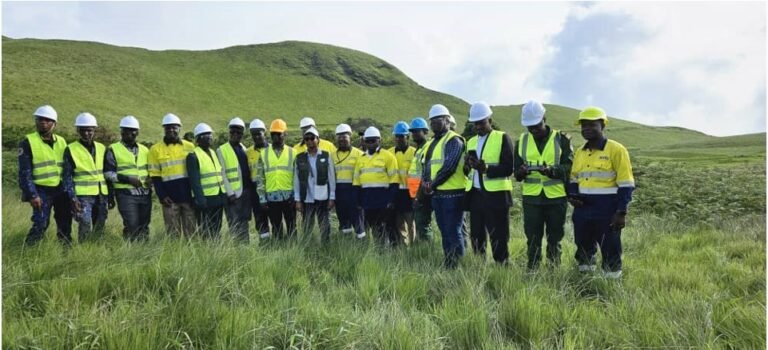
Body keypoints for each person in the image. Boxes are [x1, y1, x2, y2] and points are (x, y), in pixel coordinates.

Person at [568, 106, 635, 279]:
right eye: (584, 126)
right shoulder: (580, 152)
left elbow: (626, 184)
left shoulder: (617, 150)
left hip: (607, 208)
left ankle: (611, 285)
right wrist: (573, 196)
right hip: (582, 209)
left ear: (602, 126)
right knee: (583, 246)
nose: (587, 129)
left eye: (592, 125)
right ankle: (585, 281)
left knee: (610, 247)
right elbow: (574, 178)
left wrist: (621, 212)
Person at [514, 100, 573, 270]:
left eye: (536, 125)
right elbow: (516, 173)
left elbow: (570, 167)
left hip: (556, 198)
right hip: (531, 199)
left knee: (555, 238)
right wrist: (522, 172)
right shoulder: (522, 141)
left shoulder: (561, 139)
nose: (533, 130)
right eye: (529, 127)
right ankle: (532, 270)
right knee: (533, 239)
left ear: (544, 119)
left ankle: (554, 270)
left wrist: (551, 171)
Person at [464, 102, 515, 264]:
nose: (478, 126)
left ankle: (502, 267)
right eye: (475, 123)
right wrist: (468, 164)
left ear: (490, 121)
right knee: (476, 236)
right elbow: (468, 171)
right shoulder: (471, 142)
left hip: (497, 197)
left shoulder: (502, 137)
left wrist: (486, 169)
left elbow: (508, 168)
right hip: (476, 196)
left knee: (498, 235)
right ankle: (480, 267)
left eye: (481, 122)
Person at [18, 105, 73, 246]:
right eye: (40, 119)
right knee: (41, 223)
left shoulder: (61, 141)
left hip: (60, 190)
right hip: (40, 190)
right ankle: (28, 250)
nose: (43, 122)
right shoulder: (27, 142)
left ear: (54, 124)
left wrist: (70, 192)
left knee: (65, 222)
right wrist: (32, 195)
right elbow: (24, 173)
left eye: (48, 120)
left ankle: (66, 250)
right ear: (36, 121)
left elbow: (66, 170)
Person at [422, 104, 467, 268]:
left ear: (447, 120)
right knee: (444, 231)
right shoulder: (434, 142)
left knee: (453, 231)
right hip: (438, 194)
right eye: (432, 121)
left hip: (453, 194)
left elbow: (449, 167)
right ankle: (449, 262)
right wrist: (426, 182)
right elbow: (428, 165)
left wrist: (432, 184)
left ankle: (458, 265)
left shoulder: (454, 140)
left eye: (437, 120)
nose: (433, 123)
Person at [62, 112, 109, 242]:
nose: (86, 133)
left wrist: (110, 195)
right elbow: (67, 176)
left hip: (101, 194)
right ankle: (84, 249)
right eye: (83, 130)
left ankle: (97, 248)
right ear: (78, 130)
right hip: (83, 196)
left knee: (100, 223)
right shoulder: (70, 149)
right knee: (85, 223)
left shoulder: (102, 148)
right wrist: (72, 198)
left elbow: (106, 173)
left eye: (89, 130)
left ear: (94, 130)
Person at [104, 116, 152, 241]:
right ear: (121, 131)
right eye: (127, 130)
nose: (130, 133)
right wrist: (128, 179)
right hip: (125, 194)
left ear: (138, 132)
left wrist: (150, 178)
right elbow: (108, 173)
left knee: (144, 226)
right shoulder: (113, 149)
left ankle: (144, 252)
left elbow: (151, 170)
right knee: (132, 225)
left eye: (133, 130)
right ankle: (129, 251)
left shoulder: (145, 150)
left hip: (145, 193)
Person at [148, 113, 196, 237]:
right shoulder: (155, 149)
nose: (171, 130)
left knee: (191, 233)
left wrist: (194, 194)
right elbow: (155, 176)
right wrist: (162, 196)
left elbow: (195, 173)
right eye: (168, 127)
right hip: (169, 200)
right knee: (173, 234)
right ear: (164, 129)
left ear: (179, 128)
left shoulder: (190, 146)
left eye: (174, 127)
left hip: (188, 198)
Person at [353, 126, 399, 246]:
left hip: (383, 202)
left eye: (373, 140)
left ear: (379, 140)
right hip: (366, 201)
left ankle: (384, 254)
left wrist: (391, 201)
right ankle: (370, 254)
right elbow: (357, 182)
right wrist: (357, 201)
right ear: (364, 142)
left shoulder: (388, 156)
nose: (371, 143)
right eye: (368, 141)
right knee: (367, 230)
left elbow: (394, 181)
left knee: (382, 230)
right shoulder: (361, 159)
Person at [255, 119, 297, 239]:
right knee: (276, 227)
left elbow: (296, 177)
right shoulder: (264, 154)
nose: (276, 137)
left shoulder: (293, 153)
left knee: (292, 226)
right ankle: (279, 250)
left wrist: (296, 196)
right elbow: (260, 178)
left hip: (289, 197)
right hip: (271, 197)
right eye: (273, 134)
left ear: (285, 134)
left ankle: (293, 250)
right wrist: (262, 198)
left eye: (279, 134)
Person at [294, 127, 336, 242]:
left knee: (325, 225)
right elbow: (296, 180)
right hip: (307, 197)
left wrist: (332, 197)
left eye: (312, 138)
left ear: (318, 139)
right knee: (307, 226)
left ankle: (325, 248)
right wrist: (297, 200)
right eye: (306, 139)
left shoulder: (326, 156)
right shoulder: (300, 158)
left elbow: (331, 178)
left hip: (322, 197)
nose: (309, 141)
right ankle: (307, 248)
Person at [187, 123, 227, 239]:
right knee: (206, 229)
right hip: (205, 200)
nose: (210, 137)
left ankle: (216, 249)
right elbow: (194, 181)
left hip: (217, 197)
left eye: (210, 134)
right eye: (206, 135)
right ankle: (208, 251)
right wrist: (200, 200)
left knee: (217, 228)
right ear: (198, 139)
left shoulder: (213, 152)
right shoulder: (193, 156)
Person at [217, 117, 252, 242]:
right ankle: (237, 248)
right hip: (233, 195)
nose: (235, 134)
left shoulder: (243, 148)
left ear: (243, 134)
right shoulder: (222, 150)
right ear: (229, 132)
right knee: (234, 222)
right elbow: (222, 174)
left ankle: (245, 245)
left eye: (239, 132)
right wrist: (230, 193)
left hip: (246, 192)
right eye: (233, 132)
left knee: (244, 221)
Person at [332, 123, 366, 239]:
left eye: (344, 137)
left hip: (355, 194)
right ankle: (346, 247)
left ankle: (362, 247)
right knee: (343, 223)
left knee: (358, 224)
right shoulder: (332, 156)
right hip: (339, 195)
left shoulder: (360, 154)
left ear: (350, 137)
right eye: (339, 137)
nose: (342, 140)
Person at [388, 121, 417, 245]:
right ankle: (403, 248)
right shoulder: (389, 153)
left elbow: (416, 176)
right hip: (396, 193)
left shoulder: (414, 152)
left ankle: (413, 247)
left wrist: (415, 196)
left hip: (410, 193)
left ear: (408, 137)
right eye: (397, 136)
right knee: (399, 223)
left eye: (401, 136)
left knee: (411, 223)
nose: (398, 139)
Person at [407, 117, 434, 242]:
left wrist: (419, 196)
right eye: (412, 132)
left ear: (425, 131)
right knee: (419, 225)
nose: (414, 134)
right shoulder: (418, 149)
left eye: (417, 131)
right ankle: (422, 250)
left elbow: (426, 174)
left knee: (424, 226)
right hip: (416, 194)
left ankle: (427, 251)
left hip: (422, 195)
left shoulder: (427, 147)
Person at [247, 119, 271, 240]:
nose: (256, 136)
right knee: (260, 219)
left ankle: (278, 244)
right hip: (255, 191)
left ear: (264, 133)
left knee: (274, 217)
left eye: (259, 133)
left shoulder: (272, 150)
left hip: (271, 188)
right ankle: (265, 244)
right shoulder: (248, 152)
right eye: (254, 134)